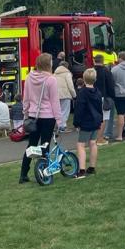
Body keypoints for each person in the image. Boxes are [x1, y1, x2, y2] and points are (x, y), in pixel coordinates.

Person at [19, 53, 62, 184]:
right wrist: (59, 121)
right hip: (48, 116)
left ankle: (23, 174)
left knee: (31, 145)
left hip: (33, 115)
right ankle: (44, 172)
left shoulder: (29, 78)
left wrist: (25, 114)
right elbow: (55, 102)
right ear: (48, 64)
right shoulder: (51, 80)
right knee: (45, 145)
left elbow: (26, 99)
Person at [73, 68, 103, 179]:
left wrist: (76, 123)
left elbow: (79, 109)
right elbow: (100, 107)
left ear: (84, 79)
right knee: (93, 143)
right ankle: (92, 167)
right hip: (95, 120)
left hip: (86, 121)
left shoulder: (82, 93)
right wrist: (100, 119)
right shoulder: (98, 92)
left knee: (80, 145)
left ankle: (81, 170)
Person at [93, 54, 115, 146]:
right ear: (102, 61)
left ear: (95, 61)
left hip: (92, 96)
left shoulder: (91, 71)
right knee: (103, 119)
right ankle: (100, 139)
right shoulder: (106, 71)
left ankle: (94, 138)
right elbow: (110, 85)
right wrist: (112, 96)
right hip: (103, 96)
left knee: (95, 118)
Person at [54, 60, 76, 132]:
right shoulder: (67, 73)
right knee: (65, 111)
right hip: (65, 94)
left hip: (55, 95)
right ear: (66, 66)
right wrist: (74, 95)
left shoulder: (54, 74)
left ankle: (58, 125)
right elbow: (70, 86)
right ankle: (62, 127)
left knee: (58, 111)